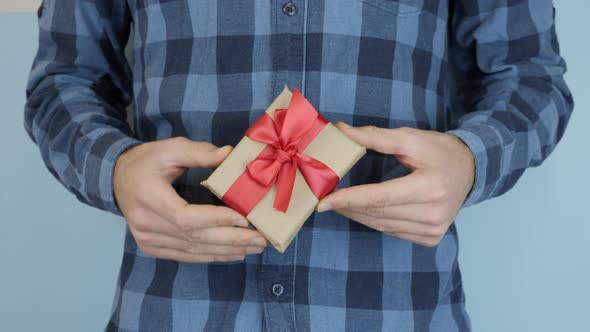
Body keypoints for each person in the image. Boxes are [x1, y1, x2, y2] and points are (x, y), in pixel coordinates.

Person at [24, 1, 573, 331]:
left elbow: (531, 77)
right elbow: (62, 81)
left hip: (395, 312)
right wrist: (115, 171)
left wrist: (471, 161)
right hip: (175, 311)